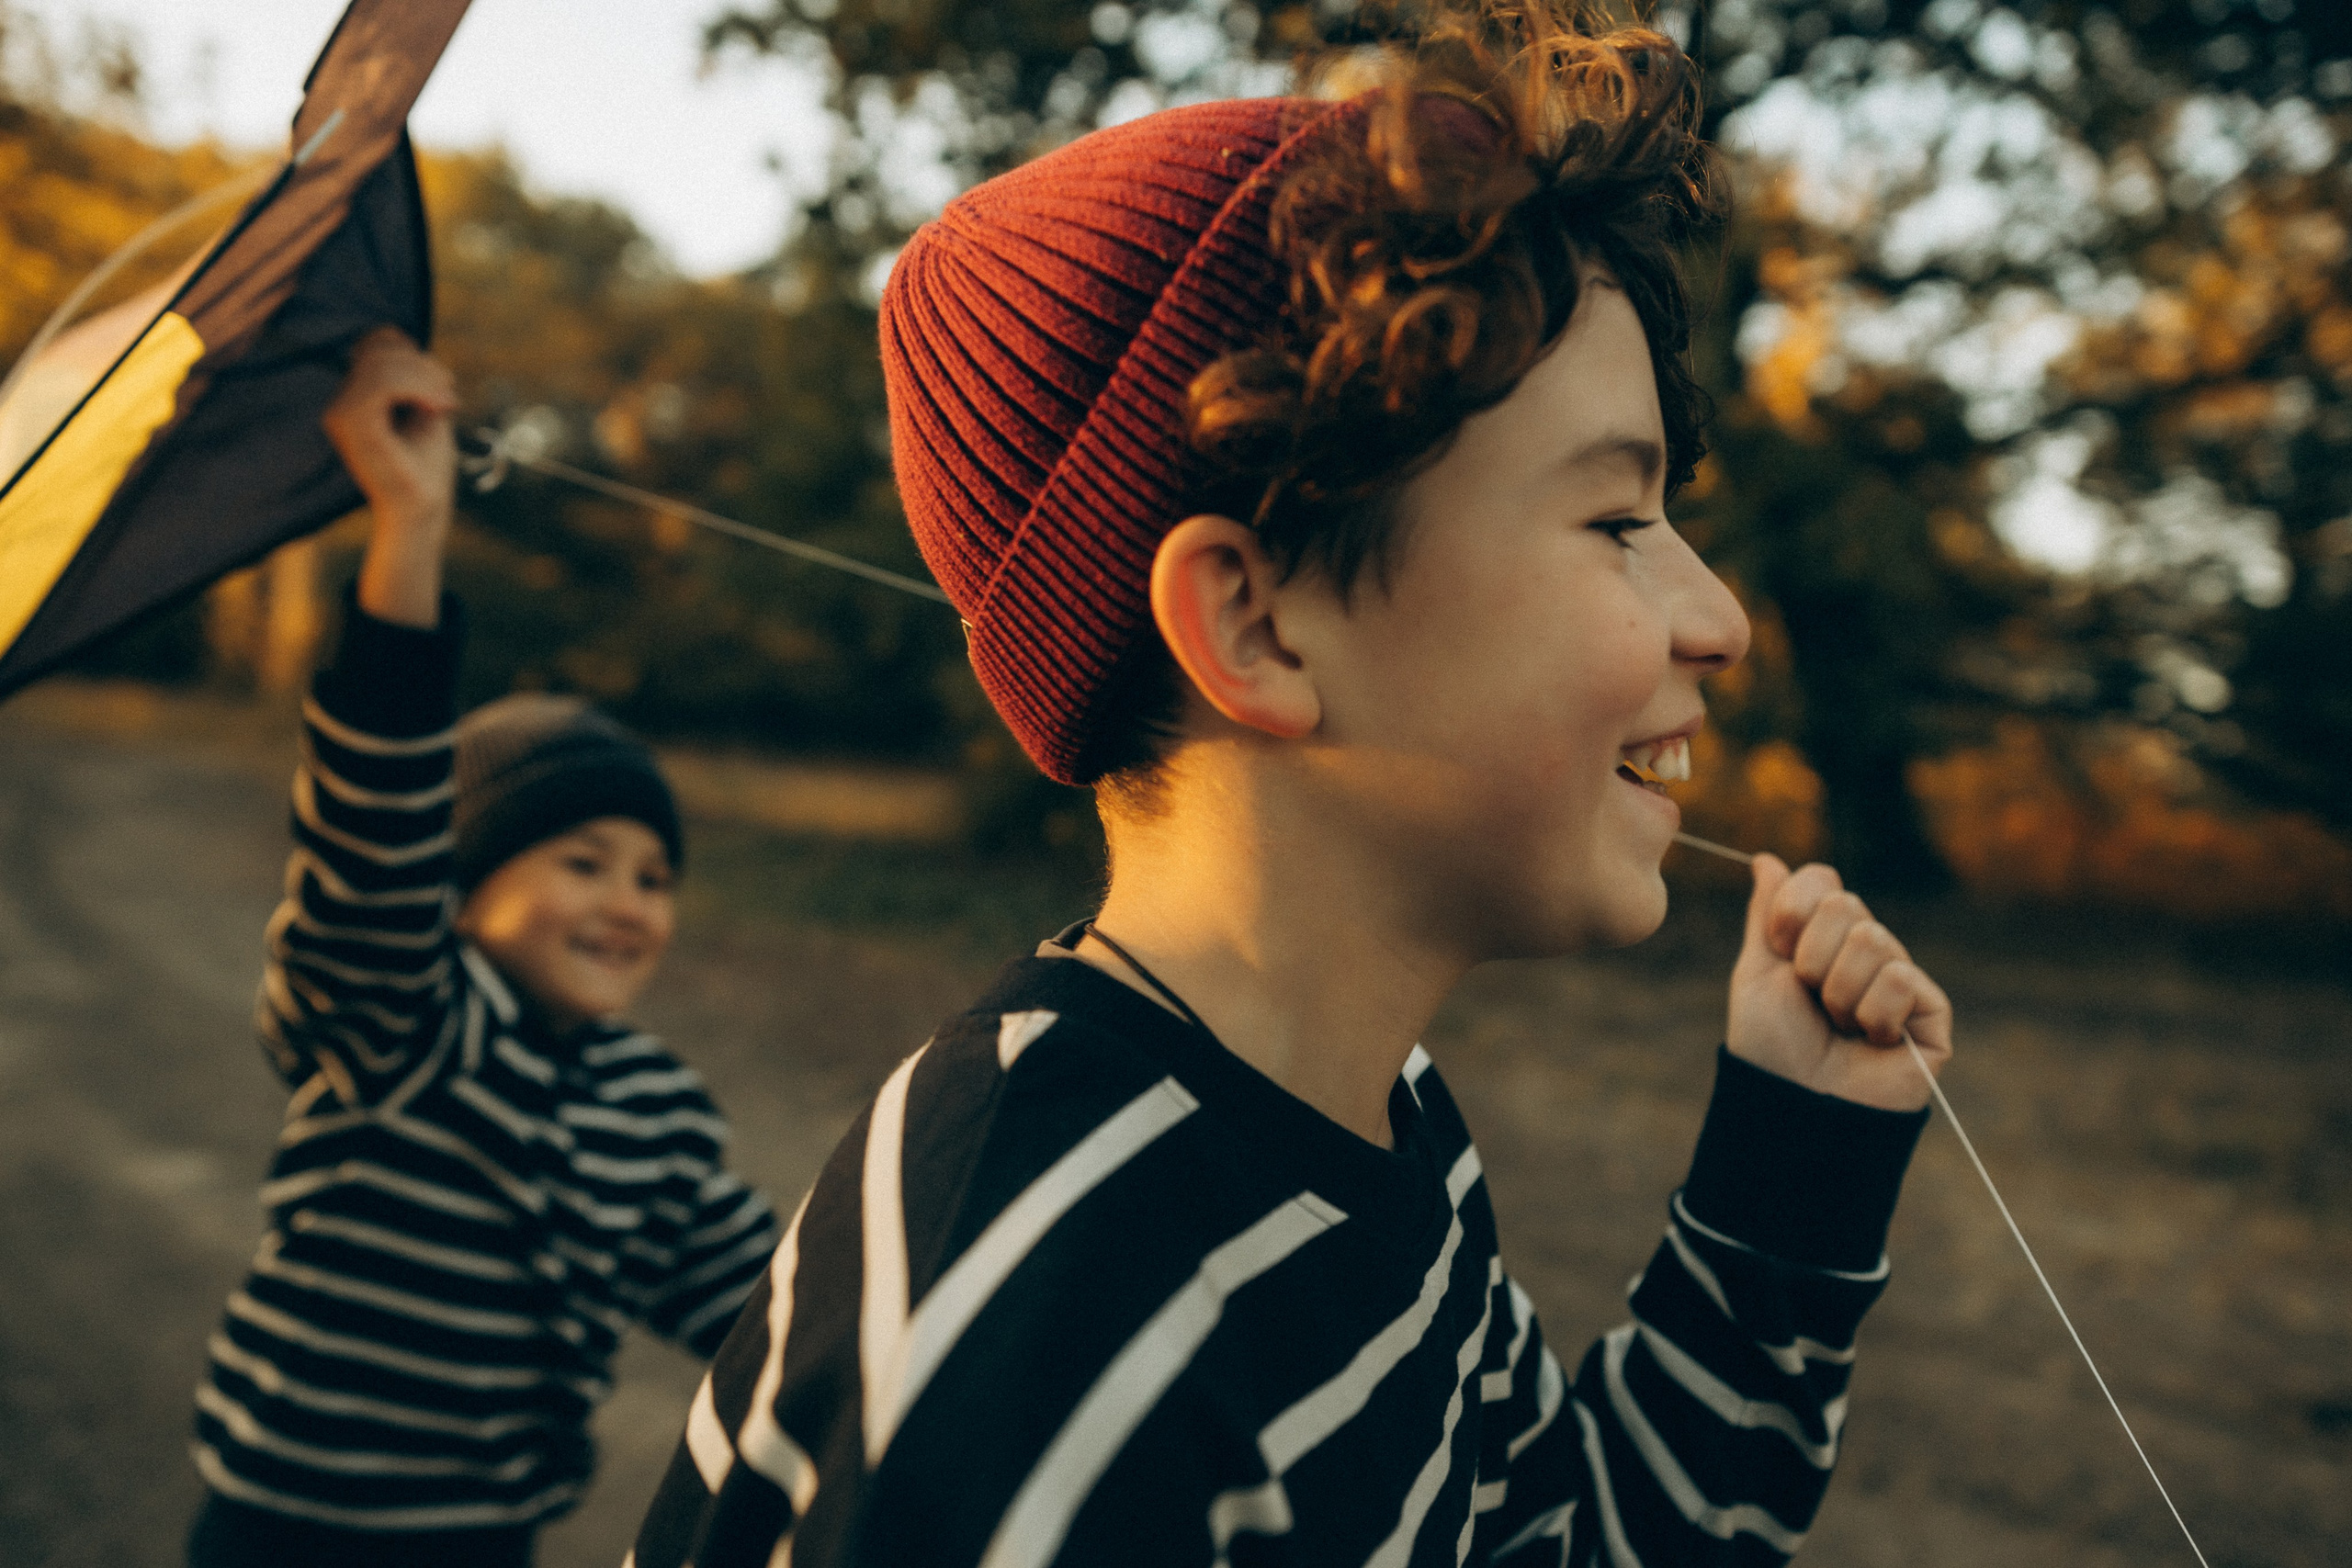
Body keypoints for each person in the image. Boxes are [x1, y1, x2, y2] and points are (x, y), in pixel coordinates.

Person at [631, 6, 1955, 1565]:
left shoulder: (1371, 1118)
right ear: (1254, 628)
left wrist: (1788, 1182)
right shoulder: (1039, 1349)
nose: (1721, 620)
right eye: (1616, 521)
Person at [186, 328, 780, 1566]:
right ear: (456, 890)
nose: (628, 901)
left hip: (484, 1544)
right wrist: (408, 530)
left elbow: (779, 1306)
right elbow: (368, 841)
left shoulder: (653, 1109)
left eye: (655, 876)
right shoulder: (399, 1020)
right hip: (283, 1529)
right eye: (581, 861)